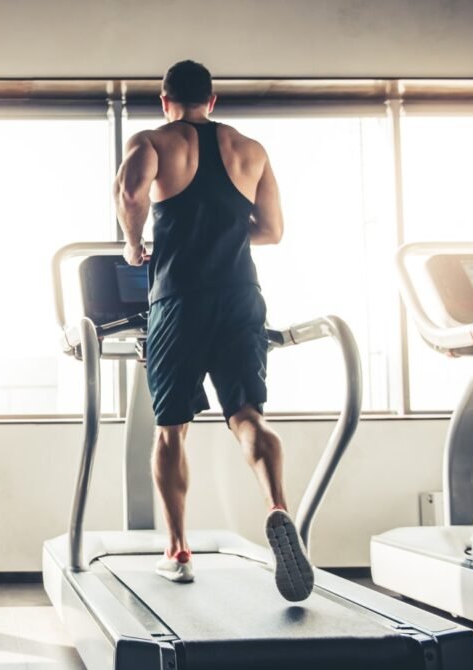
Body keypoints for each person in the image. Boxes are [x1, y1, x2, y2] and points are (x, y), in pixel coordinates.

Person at [114, 60, 314, 602]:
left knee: (170, 429)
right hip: (241, 297)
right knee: (248, 416)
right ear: (213, 99)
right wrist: (224, 224)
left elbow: (130, 194)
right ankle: (277, 507)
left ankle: (178, 550)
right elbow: (271, 230)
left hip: (179, 300)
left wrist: (134, 246)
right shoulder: (251, 150)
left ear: (165, 100)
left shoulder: (153, 141)